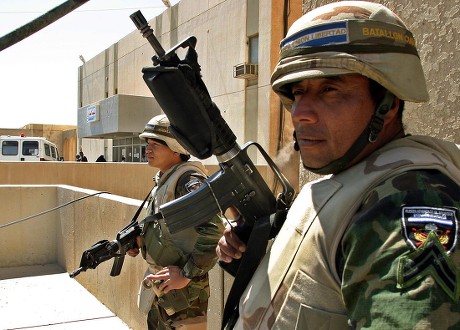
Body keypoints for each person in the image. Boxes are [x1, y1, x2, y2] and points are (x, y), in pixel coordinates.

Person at [216, 2, 460, 329]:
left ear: (388, 105)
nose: (301, 112)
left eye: (330, 89)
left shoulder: (405, 204)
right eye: (298, 92)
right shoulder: (346, 184)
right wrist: (256, 253)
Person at [127, 114, 224, 330]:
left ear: (175, 147)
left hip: (186, 296)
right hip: (164, 287)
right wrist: (140, 242)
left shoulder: (188, 181)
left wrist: (187, 274)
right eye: (147, 144)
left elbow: (215, 228)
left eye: (155, 144)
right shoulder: (166, 179)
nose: (147, 149)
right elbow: (169, 230)